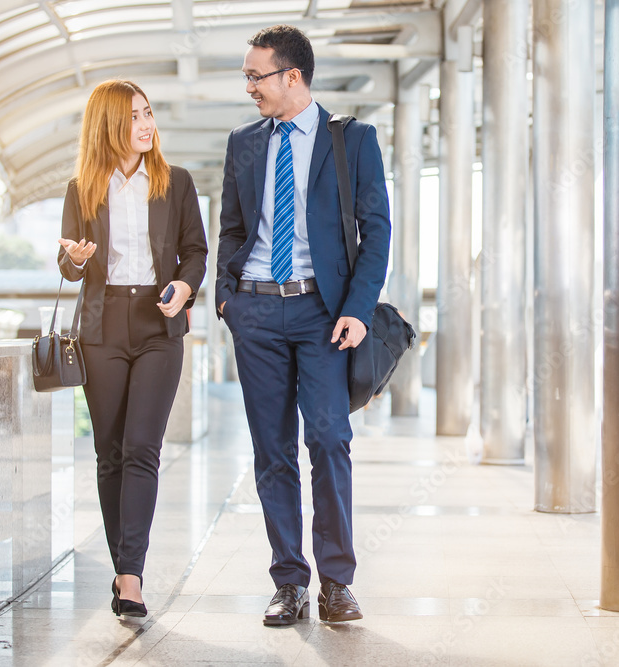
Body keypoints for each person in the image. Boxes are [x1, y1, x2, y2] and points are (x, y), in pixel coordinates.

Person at [215, 25, 390, 625]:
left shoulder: (353, 140)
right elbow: (233, 229)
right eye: (247, 77)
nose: (249, 87)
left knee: (328, 438)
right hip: (257, 309)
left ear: (293, 76)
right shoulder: (243, 142)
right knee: (272, 450)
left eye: (255, 76)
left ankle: (336, 582)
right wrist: (225, 299)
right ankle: (287, 580)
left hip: (323, 312)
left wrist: (358, 310)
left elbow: (377, 232)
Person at [57, 79, 207, 618]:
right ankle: (124, 568)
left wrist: (185, 287)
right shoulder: (83, 188)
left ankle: (130, 576)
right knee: (110, 452)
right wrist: (76, 256)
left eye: (148, 113)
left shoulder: (177, 182)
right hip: (102, 324)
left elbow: (196, 251)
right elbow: (68, 265)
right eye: (134, 116)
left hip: (157, 321)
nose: (146, 125)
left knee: (142, 447)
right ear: (109, 126)